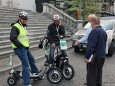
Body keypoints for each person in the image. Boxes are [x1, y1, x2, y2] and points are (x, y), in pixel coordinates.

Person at [10, 11, 42, 86]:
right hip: (19, 48)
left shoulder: (23, 26)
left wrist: (26, 45)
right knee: (26, 65)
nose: (25, 20)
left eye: (26, 18)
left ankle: (35, 74)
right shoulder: (15, 26)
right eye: (23, 18)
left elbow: (24, 38)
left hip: (25, 48)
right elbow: (12, 38)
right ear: (19, 18)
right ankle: (26, 83)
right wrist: (20, 45)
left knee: (32, 60)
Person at [85, 16, 107, 86]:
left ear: (93, 22)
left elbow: (91, 47)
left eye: (90, 22)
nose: (90, 24)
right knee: (98, 76)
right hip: (102, 56)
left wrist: (87, 57)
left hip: (95, 58)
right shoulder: (104, 32)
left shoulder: (94, 31)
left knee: (91, 77)